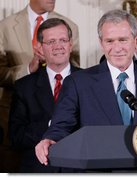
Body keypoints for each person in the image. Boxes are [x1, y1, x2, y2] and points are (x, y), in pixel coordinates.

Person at [35, 9, 137, 171]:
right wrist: (50, 139)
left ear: (136, 41)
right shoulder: (78, 83)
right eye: (110, 41)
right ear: (101, 43)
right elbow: (61, 126)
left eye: (123, 40)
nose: (117, 48)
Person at [0, 0, 80, 172]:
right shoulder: (24, 87)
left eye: (62, 40)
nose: (58, 46)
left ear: (70, 44)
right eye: (51, 42)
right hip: (38, 168)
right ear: (40, 49)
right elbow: (16, 137)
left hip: (78, 168)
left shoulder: (88, 81)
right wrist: (53, 127)